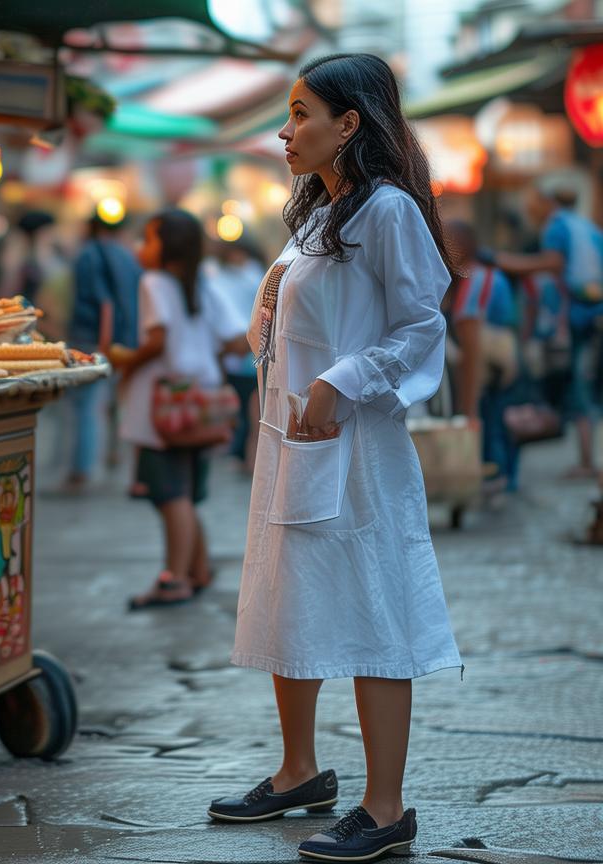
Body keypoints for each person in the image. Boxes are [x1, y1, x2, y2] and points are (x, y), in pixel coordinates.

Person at [209, 55, 463, 863]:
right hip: (296, 443)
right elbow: (283, 326)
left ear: (349, 123)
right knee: (296, 599)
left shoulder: (387, 211)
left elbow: (422, 326)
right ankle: (298, 770)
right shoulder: (322, 214)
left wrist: (341, 380)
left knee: (374, 609)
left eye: (300, 112)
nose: (285, 131)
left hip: (358, 452)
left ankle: (384, 807)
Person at [111, 209, 247, 609]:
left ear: (167, 247)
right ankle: (198, 571)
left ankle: (173, 580)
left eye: (149, 239)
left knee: (170, 495)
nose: (142, 248)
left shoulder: (154, 282)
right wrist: (204, 355)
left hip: (165, 402)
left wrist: (124, 363)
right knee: (186, 491)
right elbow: (239, 338)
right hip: (202, 397)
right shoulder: (203, 283)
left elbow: (156, 339)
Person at [495, 183, 603, 480]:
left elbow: (553, 264)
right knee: (587, 384)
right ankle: (587, 457)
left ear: (546, 202)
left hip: (574, 318)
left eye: (533, 204)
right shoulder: (585, 226)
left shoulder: (556, 228)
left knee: (578, 385)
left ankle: (586, 461)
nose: (530, 211)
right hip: (593, 312)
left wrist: (507, 263)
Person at [65, 212, 142, 489]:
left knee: (85, 405)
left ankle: (81, 470)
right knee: (114, 402)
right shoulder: (126, 255)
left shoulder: (89, 255)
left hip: (94, 338)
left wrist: (103, 345)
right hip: (126, 339)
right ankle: (113, 454)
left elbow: (104, 303)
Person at [444, 220, 520, 492]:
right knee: (500, 415)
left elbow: (471, 339)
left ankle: (495, 476)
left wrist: (468, 404)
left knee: (488, 418)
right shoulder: (491, 275)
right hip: (505, 357)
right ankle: (508, 477)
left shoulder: (473, 279)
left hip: (489, 359)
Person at [203, 236, 264, 472]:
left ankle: (246, 454)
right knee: (240, 403)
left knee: (251, 405)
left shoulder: (252, 275)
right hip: (234, 347)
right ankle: (240, 450)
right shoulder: (218, 277)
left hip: (248, 346)